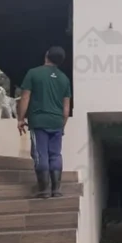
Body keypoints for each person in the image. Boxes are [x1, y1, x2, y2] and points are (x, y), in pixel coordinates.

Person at [17, 46, 71, 198]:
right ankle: (56, 189)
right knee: (55, 154)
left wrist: (21, 119)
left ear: (46, 55)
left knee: (40, 154)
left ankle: (44, 190)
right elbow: (66, 108)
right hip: (57, 122)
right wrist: (62, 125)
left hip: (39, 121)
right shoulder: (64, 79)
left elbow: (25, 97)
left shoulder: (33, 73)